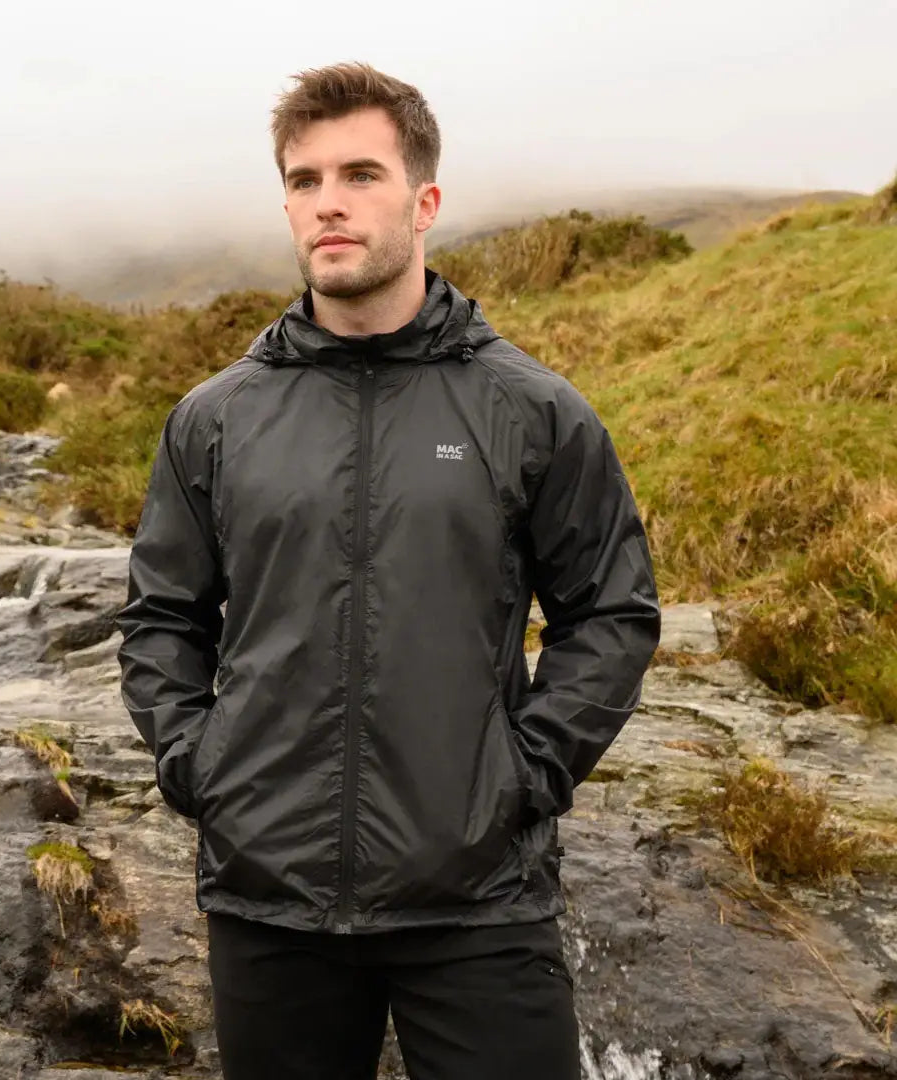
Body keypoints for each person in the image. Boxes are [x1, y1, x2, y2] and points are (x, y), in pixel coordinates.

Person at [116, 61, 661, 1080]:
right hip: (268, 899)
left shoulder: (532, 411)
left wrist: (527, 773)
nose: (328, 201)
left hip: (480, 900)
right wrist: (201, 765)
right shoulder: (215, 419)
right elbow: (160, 619)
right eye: (303, 178)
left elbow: (612, 614)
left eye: (360, 173)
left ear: (424, 200)